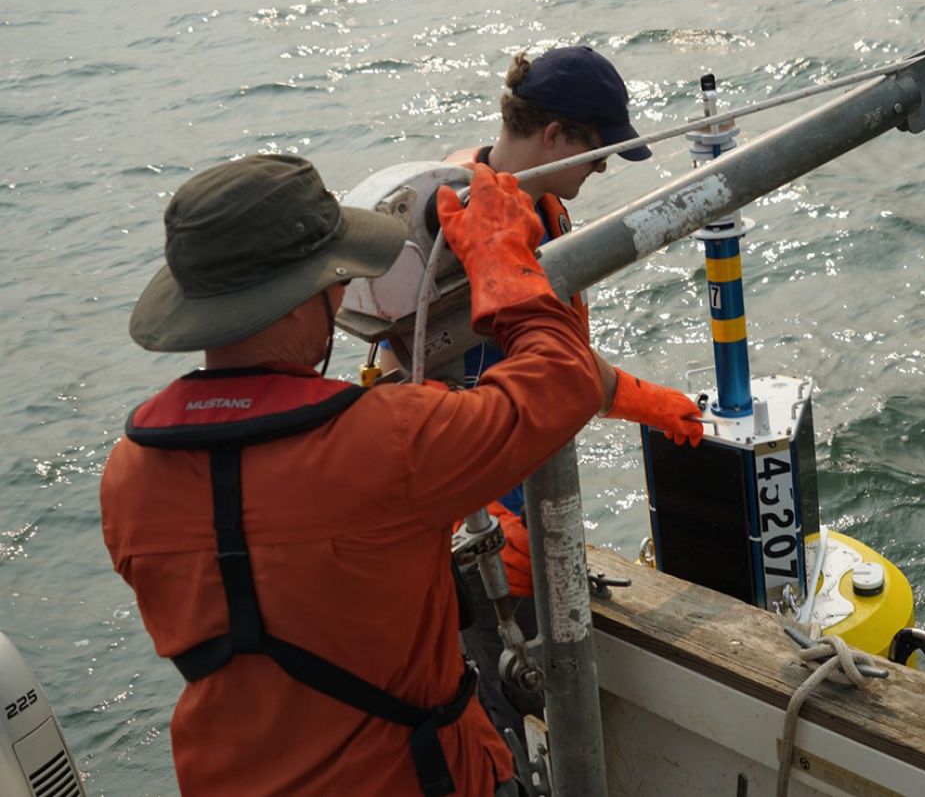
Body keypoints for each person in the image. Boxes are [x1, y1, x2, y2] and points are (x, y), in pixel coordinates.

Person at [100, 155, 609, 796]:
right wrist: (502, 263)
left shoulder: (128, 474)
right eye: (335, 277)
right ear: (292, 303)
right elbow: (563, 380)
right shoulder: (386, 442)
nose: (342, 293)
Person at [427, 46, 706, 736]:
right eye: (598, 154)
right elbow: (431, 395)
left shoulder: (541, 204)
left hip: (531, 501)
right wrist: (480, 522)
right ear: (554, 136)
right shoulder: (466, 219)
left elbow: (552, 358)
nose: (601, 170)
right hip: (482, 535)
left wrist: (639, 398)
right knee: (490, 723)